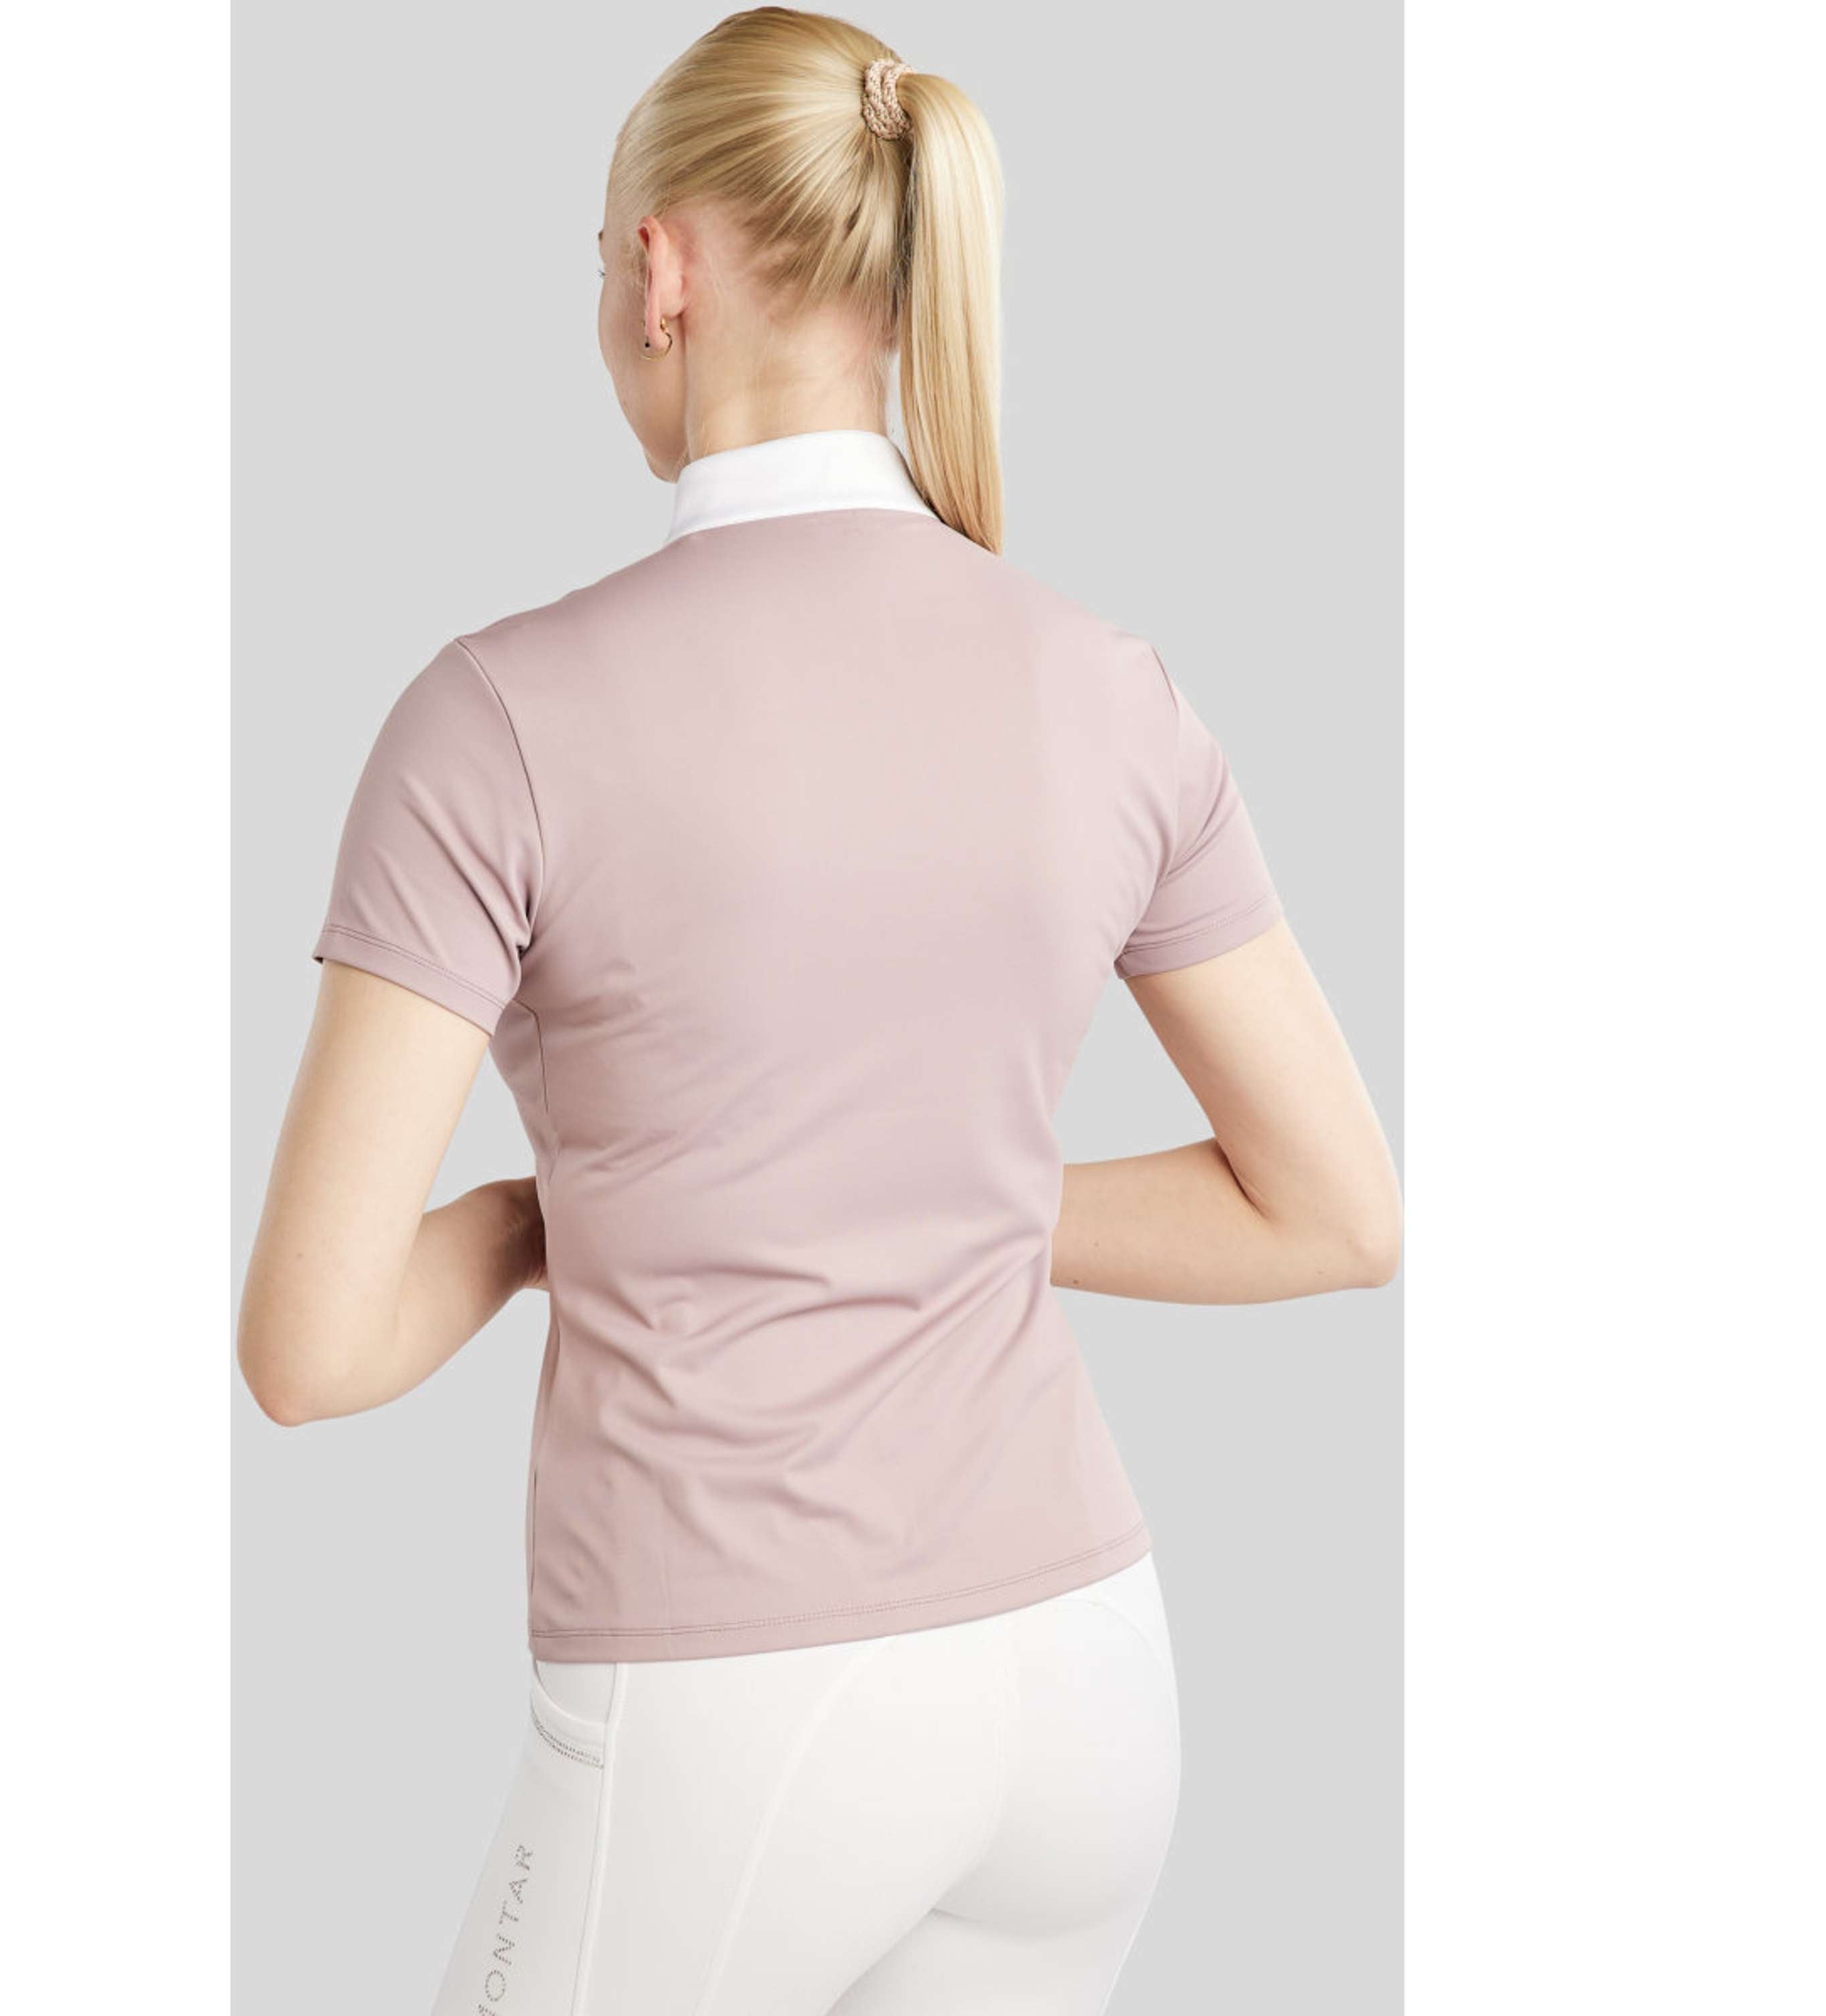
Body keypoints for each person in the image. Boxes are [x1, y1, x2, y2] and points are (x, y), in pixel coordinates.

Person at [237, 8, 1399, 2011]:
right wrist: (932, 1201)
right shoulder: (1111, 686)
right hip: (1083, 1688)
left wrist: (543, 1216)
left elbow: (311, 1347)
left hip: (736, 1705)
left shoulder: (496, 722)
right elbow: (1337, 1213)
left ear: (661, 270)